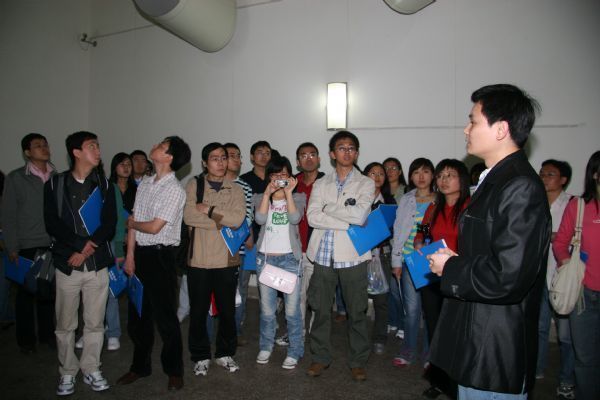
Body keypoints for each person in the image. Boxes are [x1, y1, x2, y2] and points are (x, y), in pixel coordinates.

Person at [428, 84, 550, 399]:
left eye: (473, 121)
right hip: (477, 334)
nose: (466, 129)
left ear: (500, 129)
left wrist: (451, 267)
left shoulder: (520, 186)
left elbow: (509, 275)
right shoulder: (496, 179)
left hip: (494, 344)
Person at [44, 131, 117, 395]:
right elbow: (52, 222)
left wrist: (86, 250)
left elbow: (109, 223)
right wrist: (77, 245)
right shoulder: (55, 184)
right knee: (65, 324)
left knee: (95, 322)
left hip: (96, 264)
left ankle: (91, 367)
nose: (98, 151)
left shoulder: (104, 184)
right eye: (91, 146)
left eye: (98, 146)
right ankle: (67, 371)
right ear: (76, 152)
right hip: (68, 264)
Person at [117, 136, 191, 391]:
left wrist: (132, 223)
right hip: (139, 255)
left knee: (166, 318)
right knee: (138, 316)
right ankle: (139, 367)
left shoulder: (175, 190)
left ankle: (174, 371)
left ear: (169, 157)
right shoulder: (145, 183)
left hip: (161, 257)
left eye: (162, 145)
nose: (156, 146)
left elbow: (154, 226)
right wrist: (130, 256)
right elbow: (135, 222)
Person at [306, 130, 375, 381]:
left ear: (356, 153)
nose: (347, 152)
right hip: (323, 256)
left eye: (351, 148)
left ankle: (358, 361)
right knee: (320, 310)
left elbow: (360, 215)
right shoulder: (321, 183)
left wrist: (329, 209)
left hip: (353, 256)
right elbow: (312, 218)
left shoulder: (366, 183)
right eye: (341, 148)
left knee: (357, 312)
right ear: (332, 154)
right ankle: (320, 357)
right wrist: (347, 221)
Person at [184, 142, 246, 377]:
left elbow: (237, 220)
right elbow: (189, 216)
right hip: (199, 260)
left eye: (223, 158)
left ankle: (225, 353)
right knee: (198, 311)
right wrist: (221, 220)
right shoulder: (194, 185)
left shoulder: (236, 189)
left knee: (228, 311)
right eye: (214, 158)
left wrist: (209, 211)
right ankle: (200, 356)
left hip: (226, 260)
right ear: (204, 163)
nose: (220, 162)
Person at [417, 159, 470, 400]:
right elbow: (423, 232)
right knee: (435, 327)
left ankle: (459, 382)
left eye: (450, 175)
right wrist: (419, 242)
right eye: (440, 176)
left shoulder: (471, 207)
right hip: (433, 275)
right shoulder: (433, 207)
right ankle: (439, 380)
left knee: (457, 331)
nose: (444, 180)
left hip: (459, 276)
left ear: (462, 179)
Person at [2, 133, 56, 353]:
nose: (44, 148)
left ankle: (47, 335)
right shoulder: (16, 178)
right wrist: (12, 246)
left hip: (51, 243)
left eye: (45, 144)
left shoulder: (56, 176)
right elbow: (8, 215)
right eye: (38, 146)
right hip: (26, 244)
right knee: (25, 294)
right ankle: (26, 341)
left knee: (47, 293)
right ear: (27, 152)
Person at [553, 150, 600, 400]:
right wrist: (568, 264)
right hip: (583, 293)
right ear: (595, 174)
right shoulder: (579, 206)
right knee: (585, 356)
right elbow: (560, 242)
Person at [254, 156, 306, 369]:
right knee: (267, 311)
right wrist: (268, 194)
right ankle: (265, 346)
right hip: (266, 259)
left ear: (290, 177)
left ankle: (295, 350)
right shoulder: (260, 197)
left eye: (283, 175)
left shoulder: (299, 197)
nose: (279, 179)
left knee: (292, 311)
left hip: (290, 260)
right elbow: (259, 220)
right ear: (269, 177)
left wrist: (288, 194)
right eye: (275, 175)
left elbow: (295, 219)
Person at [535, 159, 575, 400]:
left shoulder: (572, 204)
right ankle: (537, 370)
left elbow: (578, 238)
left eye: (550, 174)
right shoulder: (535, 202)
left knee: (566, 334)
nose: (544, 178)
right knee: (539, 328)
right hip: (538, 275)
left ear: (563, 180)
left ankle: (567, 379)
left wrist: (557, 237)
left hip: (562, 277)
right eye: (542, 173)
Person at [391, 157, 436, 367]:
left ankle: (429, 353)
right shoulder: (407, 199)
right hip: (409, 260)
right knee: (411, 310)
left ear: (432, 175)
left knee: (429, 310)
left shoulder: (439, 200)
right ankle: (408, 349)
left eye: (425, 171)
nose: (421, 176)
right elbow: (398, 230)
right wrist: (396, 261)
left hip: (432, 262)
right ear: (410, 177)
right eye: (416, 172)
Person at [104, 152, 138, 351]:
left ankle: (135, 327)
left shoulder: (138, 190)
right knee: (112, 288)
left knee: (134, 288)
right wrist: (122, 235)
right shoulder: (108, 189)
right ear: (114, 167)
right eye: (121, 164)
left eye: (128, 164)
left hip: (136, 243)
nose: (126, 167)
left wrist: (131, 233)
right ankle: (112, 331)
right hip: (114, 243)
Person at [362, 162, 396, 355]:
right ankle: (358, 337)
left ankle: (379, 337)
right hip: (359, 255)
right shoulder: (357, 198)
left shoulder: (389, 202)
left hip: (382, 254)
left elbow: (395, 229)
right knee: (358, 299)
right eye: (372, 173)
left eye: (381, 173)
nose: (377, 176)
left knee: (381, 301)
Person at [224, 142, 254, 342]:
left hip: (238, 246)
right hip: (213, 248)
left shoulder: (245, 187)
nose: (236, 159)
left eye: (238, 156)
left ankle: (235, 330)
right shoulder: (207, 183)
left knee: (239, 290)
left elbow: (247, 217)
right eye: (231, 155)